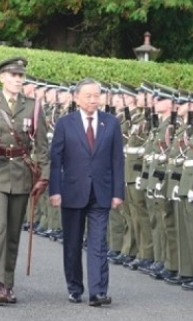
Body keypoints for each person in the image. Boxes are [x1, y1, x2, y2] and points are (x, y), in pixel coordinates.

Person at [0, 56, 50, 306]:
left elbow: (42, 147)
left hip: (21, 174)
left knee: (14, 231)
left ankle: (9, 283)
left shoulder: (34, 107)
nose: (18, 79)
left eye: (20, 76)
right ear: (1, 78)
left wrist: (44, 176)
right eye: (13, 75)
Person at [49, 78, 125, 307]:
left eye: (97, 95)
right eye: (89, 96)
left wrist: (117, 192)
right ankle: (74, 287)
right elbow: (56, 160)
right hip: (72, 191)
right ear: (77, 98)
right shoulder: (65, 123)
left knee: (98, 242)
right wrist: (55, 190)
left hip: (101, 192)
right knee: (72, 243)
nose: (94, 100)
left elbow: (117, 160)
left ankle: (98, 292)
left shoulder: (111, 123)